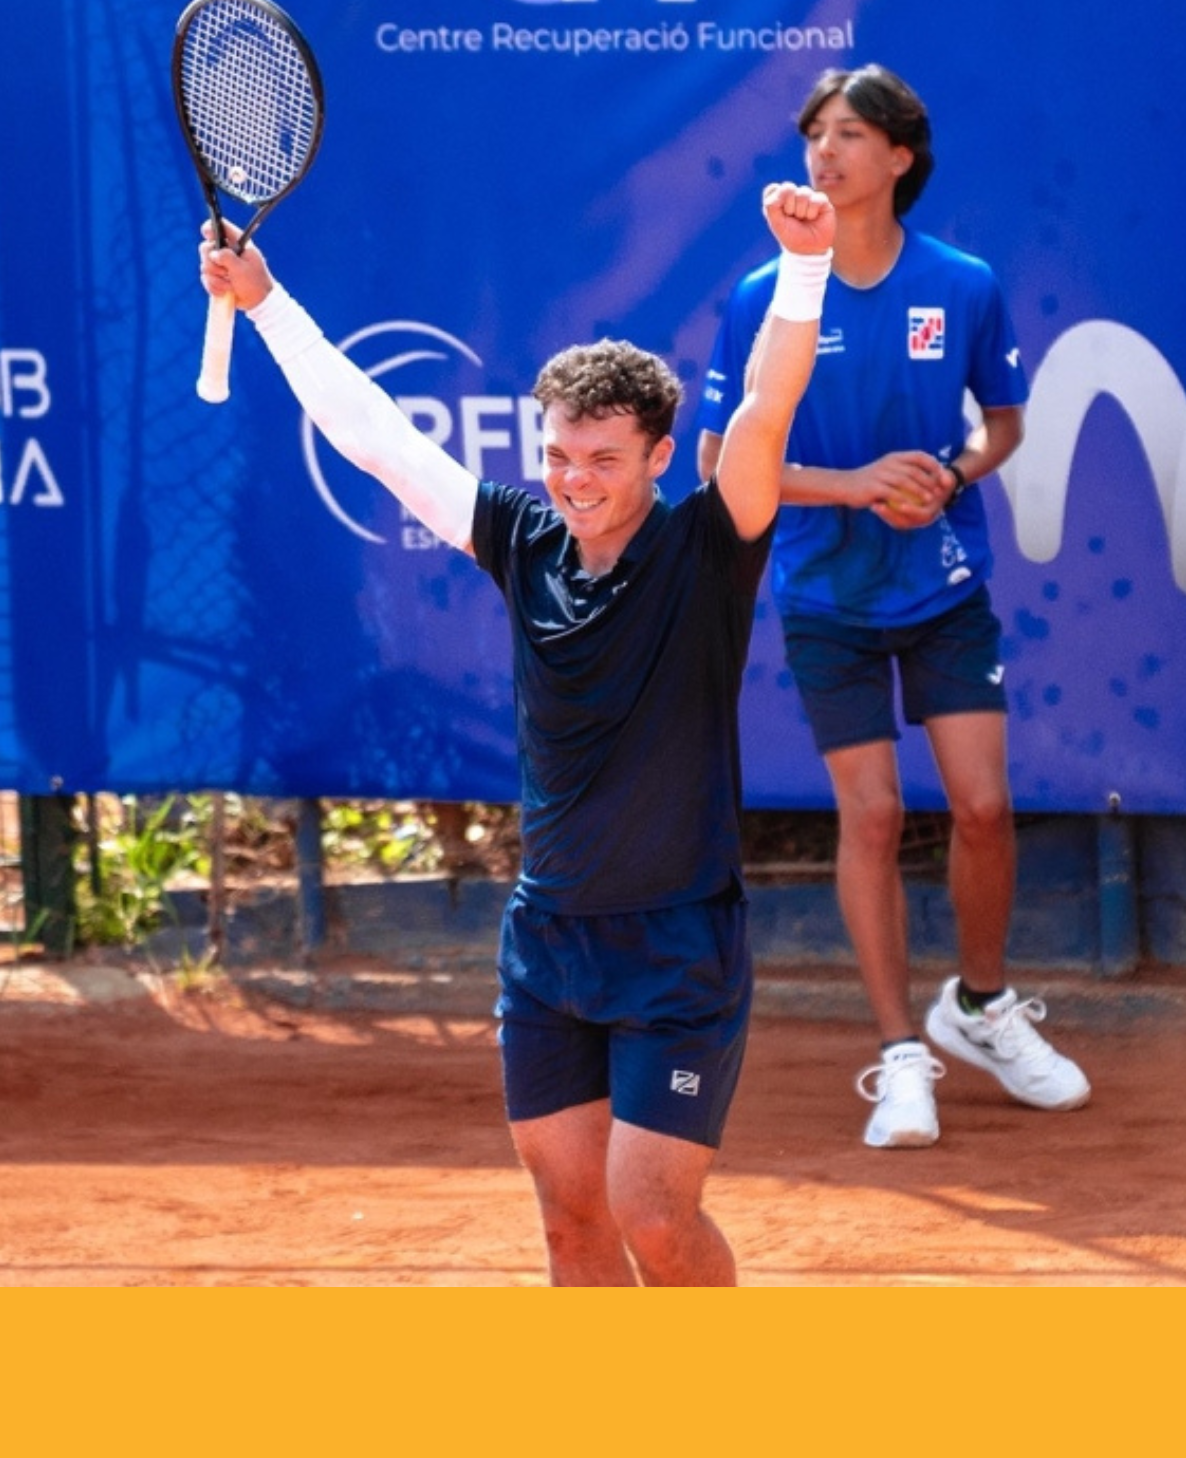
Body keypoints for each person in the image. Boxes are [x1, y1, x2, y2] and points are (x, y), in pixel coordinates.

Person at [201, 183, 835, 1284]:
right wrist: (266, 306)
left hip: (676, 946)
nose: (574, 481)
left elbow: (770, 411)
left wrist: (805, 267)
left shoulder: (710, 543)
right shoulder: (521, 535)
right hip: (547, 945)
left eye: (602, 460)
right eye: (558, 455)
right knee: (568, 1223)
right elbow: (377, 441)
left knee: (652, 1214)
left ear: (656, 455)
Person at [694, 64, 1089, 1150]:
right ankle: (896, 1055)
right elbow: (723, 460)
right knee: (868, 815)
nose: (823, 152)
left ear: (897, 159)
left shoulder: (961, 284)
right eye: (813, 134)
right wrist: (855, 482)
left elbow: (999, 425)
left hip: (942, 583)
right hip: (822, 589)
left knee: (980, 809)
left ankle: (975, 1006)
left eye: (849, 134)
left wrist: (945, 479)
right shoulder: (759, 298)